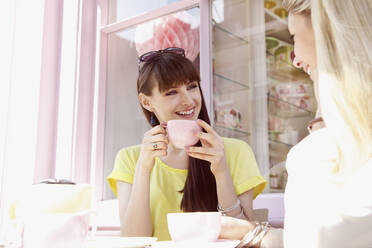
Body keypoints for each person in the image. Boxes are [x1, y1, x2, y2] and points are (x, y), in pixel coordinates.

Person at [219, 0, 372, 247]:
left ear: (327, 36)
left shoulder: (314, 155)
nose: (296, 61)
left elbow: (316, 238)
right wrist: (259, 234)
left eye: (294, 38)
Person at [107, 47, 266, 241]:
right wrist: (143, 168)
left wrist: (221, 171)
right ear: (146, 102)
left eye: (191, 86)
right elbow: (133, 241)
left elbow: (245, 237)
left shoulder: (235, 151)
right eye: (172, 92)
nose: (189, 100)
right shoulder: (130, 158)